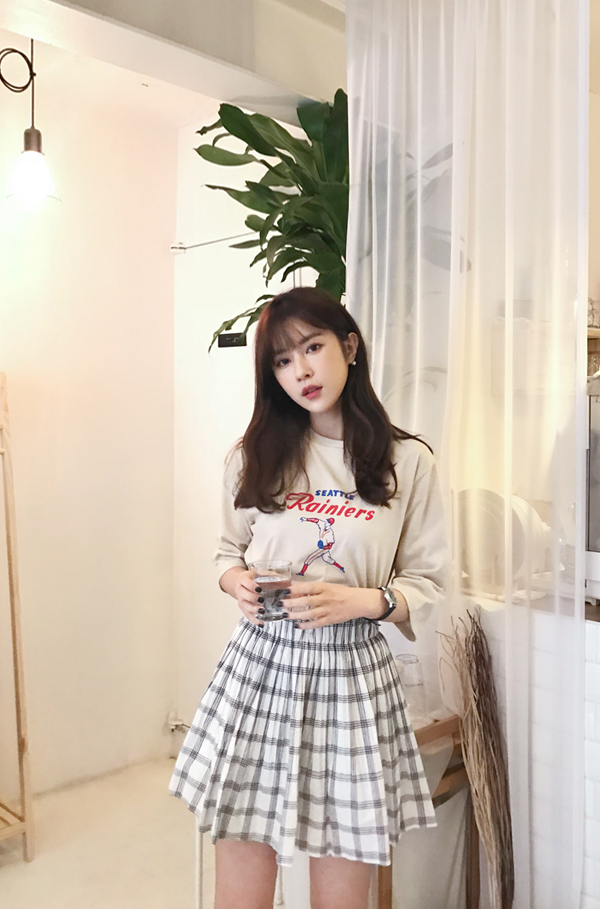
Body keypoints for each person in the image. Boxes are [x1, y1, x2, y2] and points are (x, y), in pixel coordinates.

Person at [169, 287, 448, 909]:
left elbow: (428, 582)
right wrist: (237, 583)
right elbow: (225, 553)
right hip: (261, 666)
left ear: (349, 347)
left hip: (352, 676)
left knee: (342, 884)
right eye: (282, 360)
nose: (301, 370)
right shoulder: (254, 457)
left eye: (313, 348)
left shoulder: (408, 461)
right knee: (241, 876)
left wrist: (363, 602)